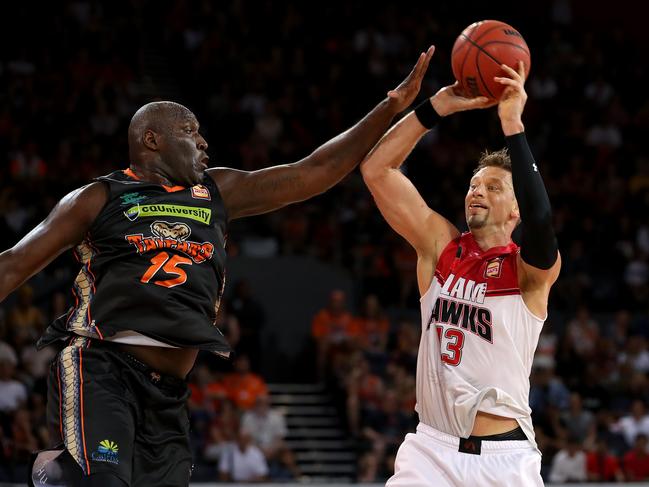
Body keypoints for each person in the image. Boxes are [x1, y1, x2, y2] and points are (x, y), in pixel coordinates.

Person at [0, 47, 435, 487]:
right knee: (106, 482)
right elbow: (14, 264)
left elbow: (315, 172)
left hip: (167, 391)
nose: (204, 142)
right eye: (190, 131)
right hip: (102, 367)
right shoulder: (98, 198)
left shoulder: (216, 192)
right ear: (152, 140)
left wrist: (390, 108)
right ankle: (61, 473)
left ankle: (59, 471)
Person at [361, 58, 561, 486]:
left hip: (504, 459)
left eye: (493, 187)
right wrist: (436, 107)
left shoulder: (529, 272)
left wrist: (512, 124)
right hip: (430, 451)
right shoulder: (440, 248)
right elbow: (376, 170)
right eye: (473, 184)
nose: (477, 191)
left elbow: (543, 221)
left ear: (515, 208)